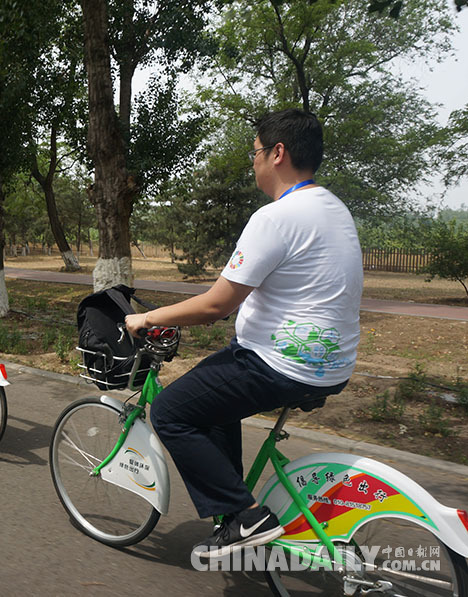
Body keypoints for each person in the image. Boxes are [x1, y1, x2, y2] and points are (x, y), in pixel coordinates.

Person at [125, 109, 363, 558]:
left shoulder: (276, 217)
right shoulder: (333, 208)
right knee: (214, 398)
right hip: (330, 364)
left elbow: (216, 305)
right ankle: (234, 513)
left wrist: (150, 317)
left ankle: (247, 517)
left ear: (278, 153)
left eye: (254, 151)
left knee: (173, 411)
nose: (251, 161)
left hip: (281, 365)